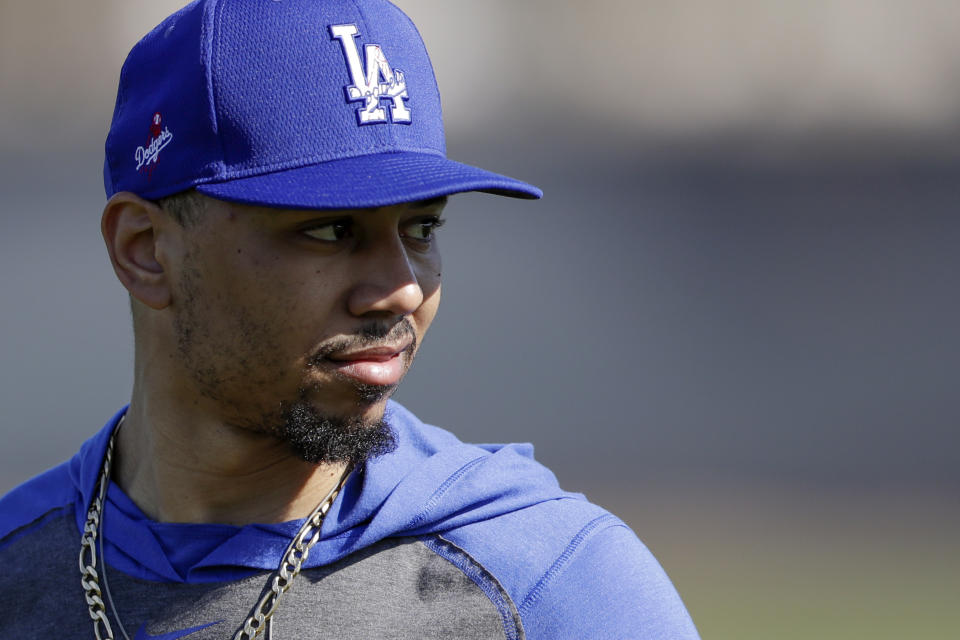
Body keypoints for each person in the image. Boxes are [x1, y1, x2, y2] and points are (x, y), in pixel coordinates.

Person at [0, 1, 700, 638]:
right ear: (145, 251)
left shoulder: (550, 588)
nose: (400, 290)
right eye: (331, 231)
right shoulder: (17, 568)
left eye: (421, 227)